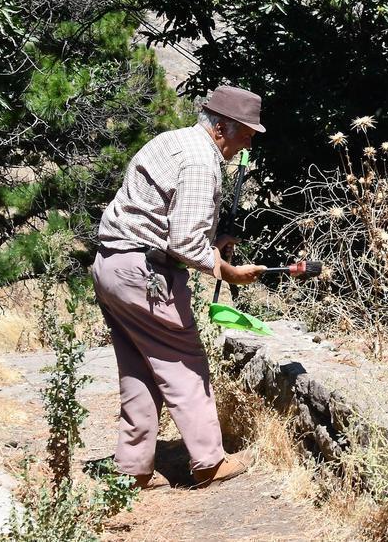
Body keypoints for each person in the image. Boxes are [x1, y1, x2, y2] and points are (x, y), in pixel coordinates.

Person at [91, 85, 268, 489]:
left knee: (139, 368)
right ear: (222, 127)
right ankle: (208, 461)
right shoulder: (201, 161)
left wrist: (213, 245)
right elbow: (184, 242)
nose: (247, 143)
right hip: (145, 275)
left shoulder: (172, 141)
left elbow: (159, 219)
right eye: (246, 134)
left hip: (112, 266)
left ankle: (133, 467)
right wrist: (226, 269)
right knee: (183, 361)